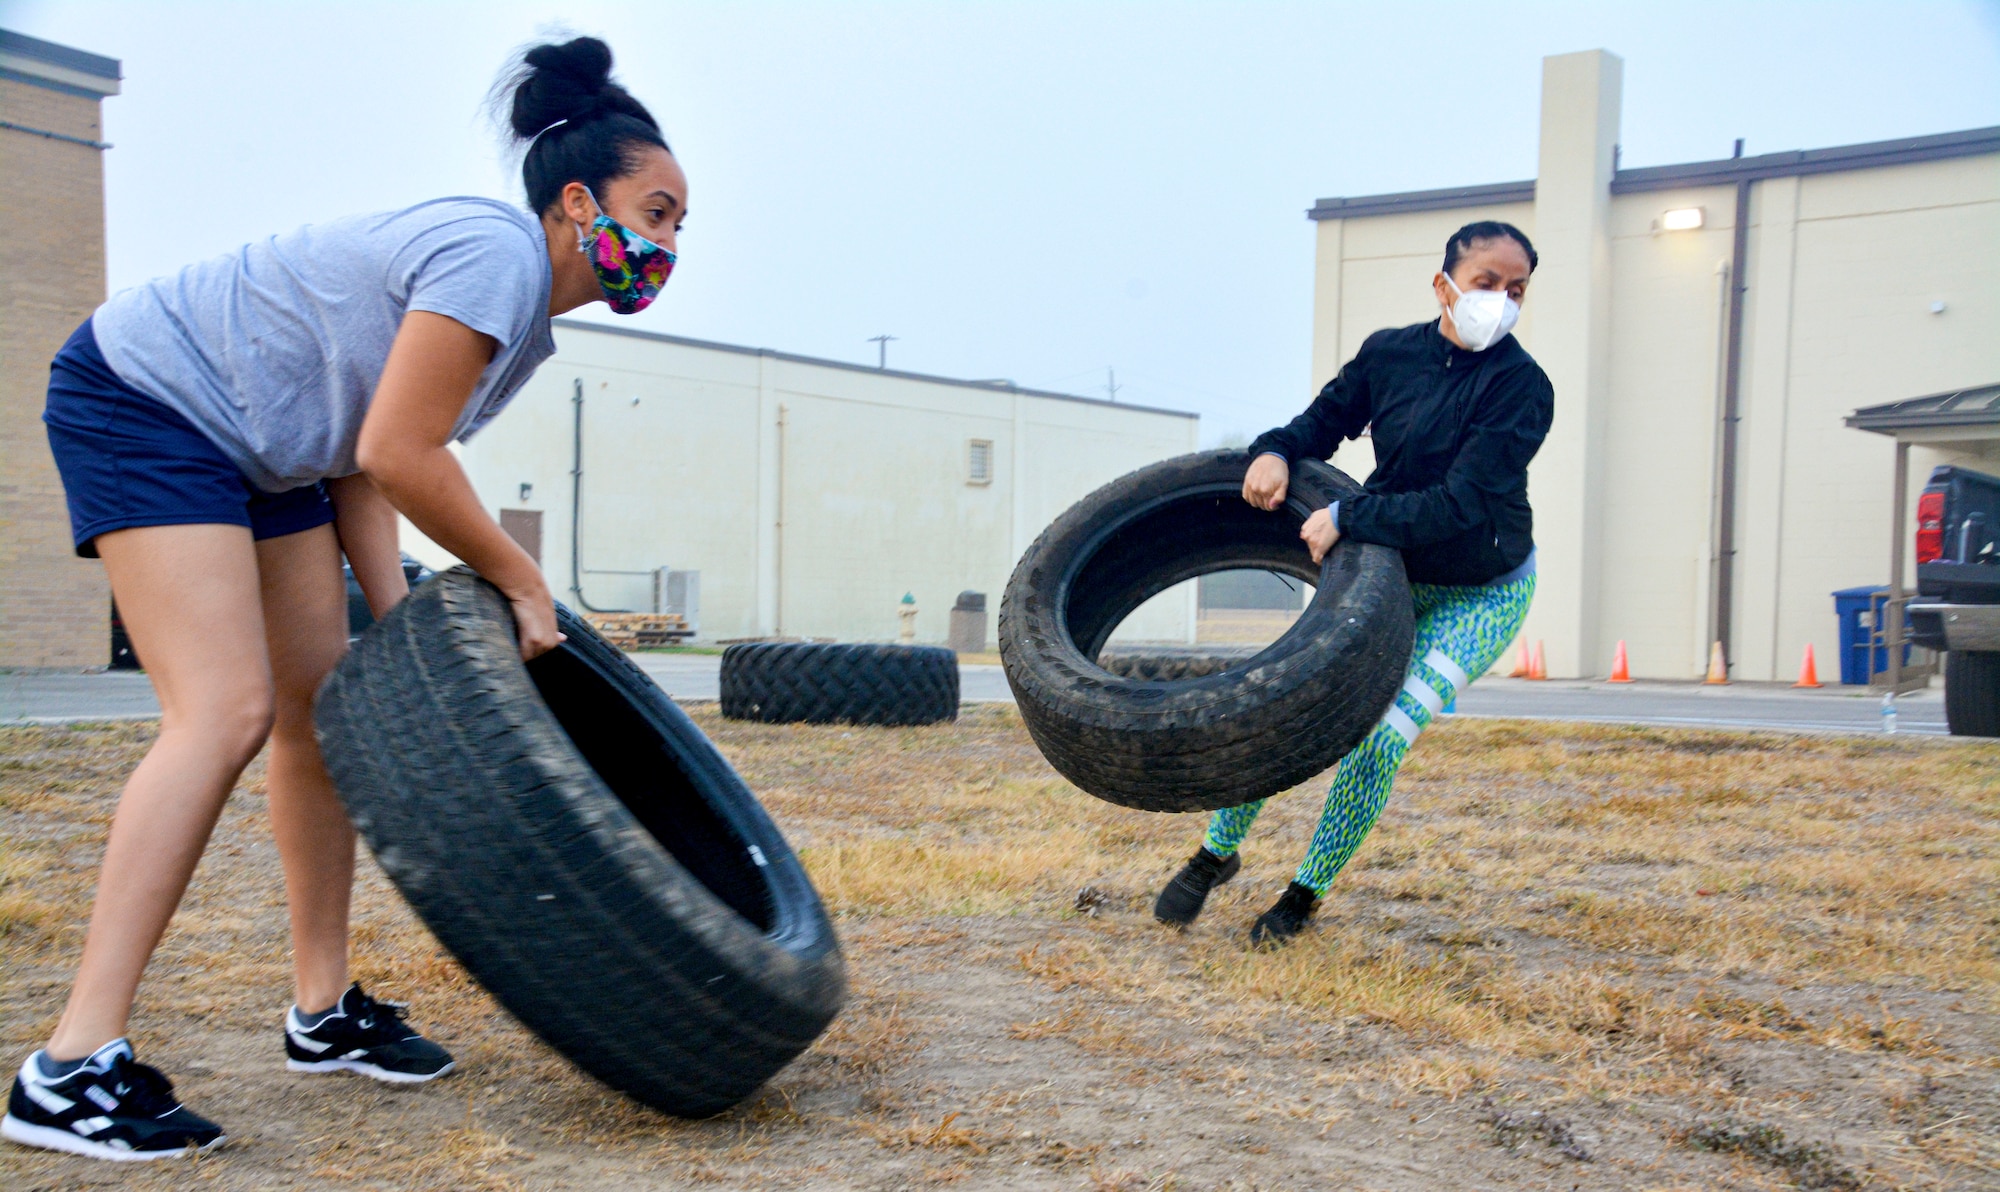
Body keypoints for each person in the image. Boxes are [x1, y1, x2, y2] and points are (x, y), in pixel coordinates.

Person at [3, 37, 687, 1161]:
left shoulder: (521, 331)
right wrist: (517, 578)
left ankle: (321, 1014)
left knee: (316, 715)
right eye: (655, 212)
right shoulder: (494, 255)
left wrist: (398, 611)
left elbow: (368, 459)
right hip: (147, 398)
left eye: (677, 227)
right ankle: (69, 1067)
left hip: (277, 457)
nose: (665, 243)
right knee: (220, 711)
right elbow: (400, 449)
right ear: (577, 202)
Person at [1153, 220, 1552, 946]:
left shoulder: (1524, 390)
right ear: (1445, 285)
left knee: (1377, 741)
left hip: (1480, 592)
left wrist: (1348, 514)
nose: (1501, 300)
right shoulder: (1391, 354)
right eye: (1487, 283)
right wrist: (1274, 452)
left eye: (1517, 289)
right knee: (1289, 707)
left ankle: (1303, 896)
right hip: (1389, 574)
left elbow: (1461, 503)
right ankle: (1217, 853)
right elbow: (1325, 420)